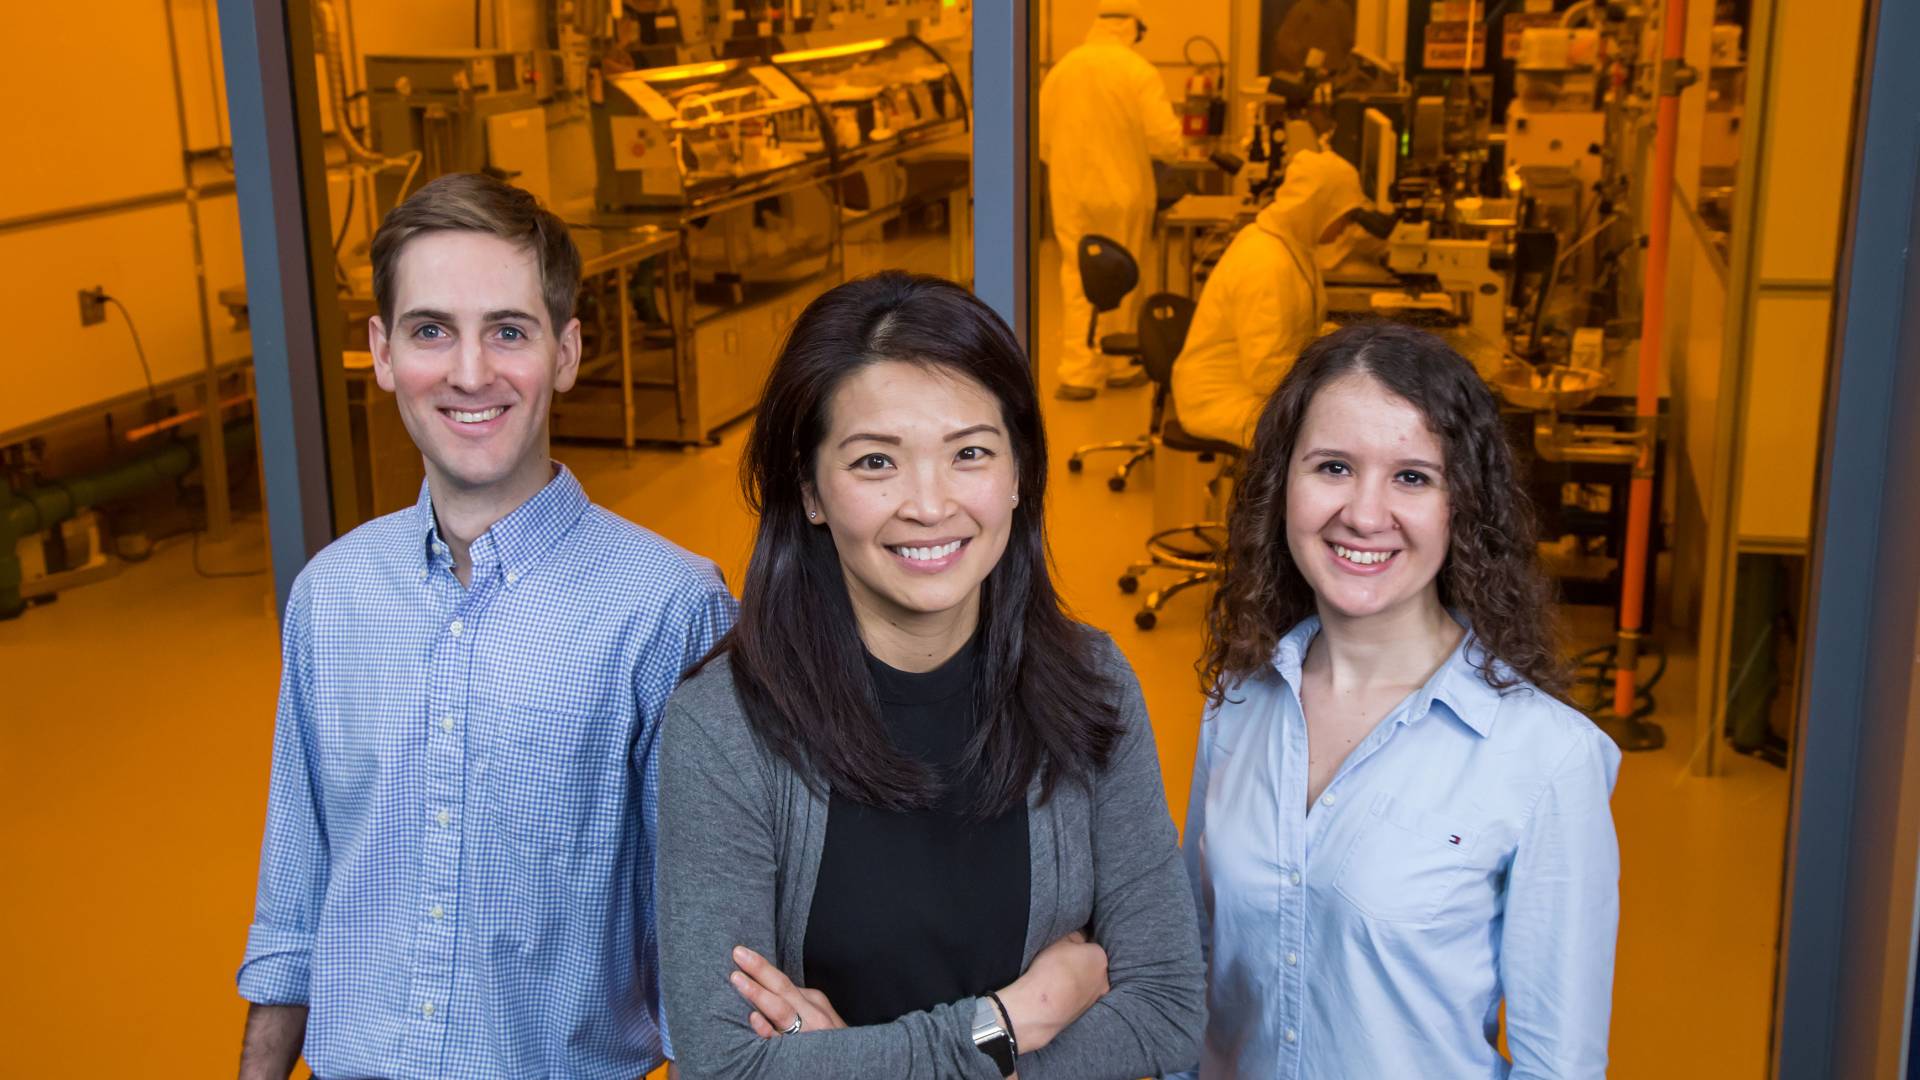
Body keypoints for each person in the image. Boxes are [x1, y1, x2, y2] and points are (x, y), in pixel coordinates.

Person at [234, 173, 737, 1080]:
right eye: (432, 331)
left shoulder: (668, 609)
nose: (471, 373)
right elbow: (294, 904)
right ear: (384, 353)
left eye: (509, 330)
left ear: (568, 352)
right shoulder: (330, 599)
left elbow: (700, 943)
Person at [656, 271, 1204, 1079]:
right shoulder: (725, 731)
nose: (929, 503)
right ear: (810, 490)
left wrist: (851, 1063)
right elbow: (728, 1067)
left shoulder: (1092, 684)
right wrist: (1014, 1022)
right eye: (876, 461)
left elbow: (1167, 1009)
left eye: (970, 454)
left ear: (1019, 474)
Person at [1180, 322, 1622, 1078]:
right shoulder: (1239, 702)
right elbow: (1200, 977)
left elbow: (1560, 1067)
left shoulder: (1548, 758)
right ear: (1282, 483)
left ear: (1463, 504)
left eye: (1413, 477)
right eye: (1333, 467)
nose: (1363, 513)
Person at [1170, 148, 1368, 448]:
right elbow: (1265, 373)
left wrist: (1343, 344)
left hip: (1246, 389)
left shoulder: (1290, 245)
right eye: (1344, 216)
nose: (1344, 228)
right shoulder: (1266, 262)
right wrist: (1334, 369)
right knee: (1337, 435)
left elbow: (1297, 333)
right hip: (1220, 400)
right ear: (1319, 207)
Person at [1039, 0, 1183, 401]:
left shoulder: (1063, 68)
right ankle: (1120, 363)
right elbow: (1167, 143)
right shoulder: (1138, 71)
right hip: (1123, 193)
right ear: (1132, 28)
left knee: (1076, 274)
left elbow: (1042, 138)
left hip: (1070, 192)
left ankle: (1079, 372)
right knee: (1123, 274)